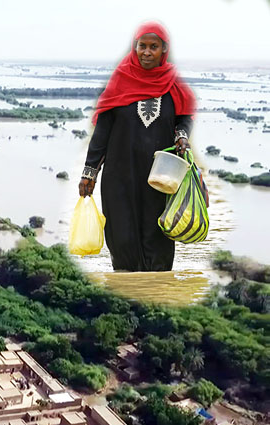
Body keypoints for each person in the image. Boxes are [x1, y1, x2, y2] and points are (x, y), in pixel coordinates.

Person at [79, 22, 196, 272]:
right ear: (135, 47)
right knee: (121, 236)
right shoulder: (119, 83)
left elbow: (184, 118)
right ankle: (127, 295)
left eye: (153, 47)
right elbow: (102, 132)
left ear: (164, 50)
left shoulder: (174, 86)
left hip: (160, 180)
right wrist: (89, 174)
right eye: (142, 46)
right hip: (119, 177)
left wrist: (182, 135)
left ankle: (156, 297)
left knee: (159, 236)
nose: (146, 52)